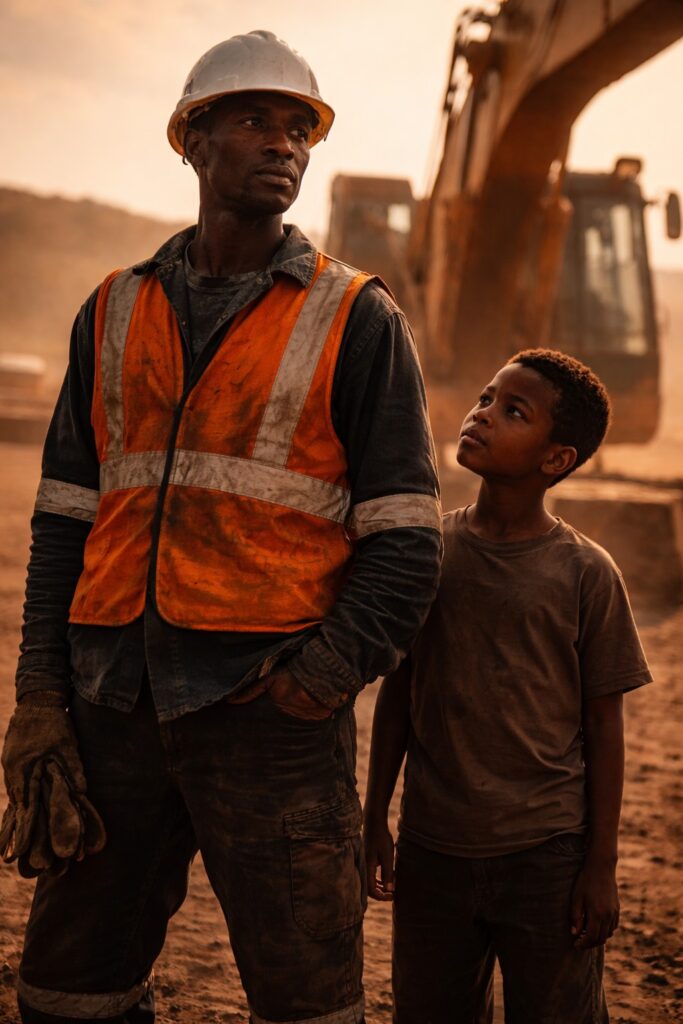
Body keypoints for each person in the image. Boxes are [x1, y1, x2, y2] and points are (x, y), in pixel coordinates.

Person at [0, 31, 443, 1024]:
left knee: (306, 1004)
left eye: (298, 129)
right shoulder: (114, 309)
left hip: (267, 720)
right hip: (113, 705)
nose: (281, 144)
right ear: (192, 140)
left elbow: (407, 541)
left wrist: (310, 685)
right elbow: (65, 523)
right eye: (252, 120)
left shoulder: (354, 318)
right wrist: (40, 695)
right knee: (65, 991)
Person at [363, 349, 652, 1024]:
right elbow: (398, 697)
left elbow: (604, 727)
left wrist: (598, 865)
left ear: (556, 459)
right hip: (433, 849)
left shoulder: (585, 574)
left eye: (512, 411)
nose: (482, 415)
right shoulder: (429, 555)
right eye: (486, 398)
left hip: (545, 857)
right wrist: (375, 815)